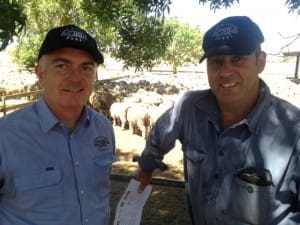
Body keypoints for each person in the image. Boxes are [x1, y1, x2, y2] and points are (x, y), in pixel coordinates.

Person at [133, 16, 300, 225]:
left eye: (238, 58)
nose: (225, 71)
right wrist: (147, 165)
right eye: (216, 61)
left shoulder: (294, 132)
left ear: (261, 61)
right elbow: (161, 132)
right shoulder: (189, 108)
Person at [0, 25, 116, 225]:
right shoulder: (5, 136)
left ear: (95, 76)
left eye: (86, 68)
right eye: (62, 66)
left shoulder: (103, 128)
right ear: (40, 73)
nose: (75, 78)